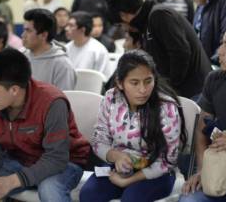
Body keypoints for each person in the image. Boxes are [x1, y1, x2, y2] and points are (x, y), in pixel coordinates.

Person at [0, 48, 90, 202]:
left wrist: (12, 181)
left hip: (65, 163)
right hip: (19, 160)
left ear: (14, 90)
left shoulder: (51, 102)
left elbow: (56, 158)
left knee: (49, 189)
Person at [80, 50, 187, 202]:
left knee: (132, 198)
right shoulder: (111, 98)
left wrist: (128, 181)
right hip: (119, 167)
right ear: (119, 82)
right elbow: (99, 140)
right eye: (134, 83)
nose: (143, 90)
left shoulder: (166, 107)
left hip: (157, 172)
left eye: (148, 81)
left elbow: (168, 159)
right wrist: (116, 156)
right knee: (89, 194)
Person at [106, 0, 212, 99]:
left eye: (120, 25)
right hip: (183, 91)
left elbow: (180, 53)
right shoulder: (147, 23)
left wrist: (168, 89)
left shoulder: (159, 15)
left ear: (123, 15)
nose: (125, 30)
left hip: (194, 91)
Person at [179, 21, 226, 202]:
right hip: (220, 175)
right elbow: (201, 128)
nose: (219, 51)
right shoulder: (215, 79)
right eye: (222, 44)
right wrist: (203, 170)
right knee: (188, 200)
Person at [22, 8, 76, 90]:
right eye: (24, 30)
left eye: (28, 31)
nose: (23, 35)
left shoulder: (62, 65)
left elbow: (64, 100)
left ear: (43, 35)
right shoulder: (21, 56)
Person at [65, 11, 110, 78]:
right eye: (67, 25)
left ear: (82, 29)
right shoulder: (66, 48)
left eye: (71, 26)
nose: (66, 29)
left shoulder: (99, 51)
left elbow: (103, 78)